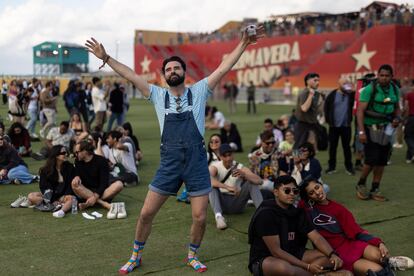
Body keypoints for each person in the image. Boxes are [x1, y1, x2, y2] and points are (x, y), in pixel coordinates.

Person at [85, 24, 265, 274]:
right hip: (169, 163)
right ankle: (135, 255)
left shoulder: (200, 90)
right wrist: (105, 58)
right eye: (168, 69)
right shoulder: (158, 95)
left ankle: (192, 255)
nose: (172, 71)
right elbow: (130, 75)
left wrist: (244, 43)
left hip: (196, 163)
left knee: (200, 217)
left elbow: (224, 67)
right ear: (163, 76)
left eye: (176, 67)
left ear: (184, 71)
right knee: (146, 213)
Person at [299, 178, 414, 275]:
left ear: (321, 185)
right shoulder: (306, 208)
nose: (317, 192)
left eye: (317, 187)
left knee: (380, 255)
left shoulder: (338, 208)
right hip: (334, 253)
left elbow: (356, 231)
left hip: (350, 244)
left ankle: (388, 262)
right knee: (377, 271)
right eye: (311, 193)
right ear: (308, 197)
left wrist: (379, 243)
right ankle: (383, 267)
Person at [247, 175, 344, 276]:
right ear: (276, 192)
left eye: (295, 191)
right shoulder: (266, 214)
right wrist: (307, 266)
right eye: (287, 191)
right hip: (266, 257)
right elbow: (276, 251)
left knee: (328, 258)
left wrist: (332, 254)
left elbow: (316, 237)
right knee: (285, 268)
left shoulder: (298, 212)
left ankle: (307, 273)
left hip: (293, 252)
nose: (292, 194)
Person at [356, 64, 401, 202]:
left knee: (382, 160)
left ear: (391, 76)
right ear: (378, 75)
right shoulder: (370, 89)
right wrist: (361, 131)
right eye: (381, 75)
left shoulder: (395, 89)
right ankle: (361, 184)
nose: (384, 78)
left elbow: (397, 108)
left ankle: (375, 188)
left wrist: (397, 118)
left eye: (387, 75)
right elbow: (360, 111)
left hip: (387, 129)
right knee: (371, 160)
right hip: (371, 128)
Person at [12, 145, 76, 218]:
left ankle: (60, 210)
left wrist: (63, 197)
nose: (66, 154)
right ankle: (55, 205)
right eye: (63, 153)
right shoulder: (45, 170)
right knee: (31, 196)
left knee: (72, 199)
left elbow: (70, 185)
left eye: (66, 152)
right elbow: (43, 186)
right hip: (51, 195)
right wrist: (52, 199)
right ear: (56, 155)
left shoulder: (69, 167)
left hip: (63, 195)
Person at [209, 144, 263, 230]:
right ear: (220, 156)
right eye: (225, 156)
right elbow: (207, 180)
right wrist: (227, 187)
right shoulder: (215, 166)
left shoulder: (240, 167)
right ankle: (219, 217)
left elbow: (259, 181)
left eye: (230, 155)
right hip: (221, 202)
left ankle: (262, 213)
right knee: (211, 187)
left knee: (252, 183)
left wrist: (244, 174)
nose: (228, 158)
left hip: (237, 201)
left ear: (233, 154)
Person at [71, 140, 125, 218]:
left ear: (85, 151)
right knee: (74, 184)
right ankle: (104, 204)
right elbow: (77, 173)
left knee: (119, 184)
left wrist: (95, 197)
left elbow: (104, 182)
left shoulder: (101, 161)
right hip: (86, 190)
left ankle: (90, 203)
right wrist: (76, 176)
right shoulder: (78, 161)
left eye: (77, 152)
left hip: (101, 191)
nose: (75, 154)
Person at [177, 133, 222, 203]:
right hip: (209, 184)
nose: (213, 143)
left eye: (216, 141)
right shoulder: (207, 155)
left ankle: (193, 196)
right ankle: (188, 192)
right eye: (211, 141)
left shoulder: (226, 157)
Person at [324, 76, 355, 175]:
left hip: (346, 126)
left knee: (347, 147)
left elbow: (357, 96)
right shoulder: (332, 95)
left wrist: (352, 89)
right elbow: (326, 108)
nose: (346, 85)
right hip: (333, 127)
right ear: (339, 84)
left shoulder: (351, 95)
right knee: (332, 148)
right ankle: (331, 167)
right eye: (344, 83)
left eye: (347, 83)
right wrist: (329, 121)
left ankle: (349, 167)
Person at [294, 72, 324, 149]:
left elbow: (318, 110)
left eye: (318, 80)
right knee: (298, 146)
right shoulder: (305, 93)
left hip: (312, 124)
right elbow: (304, 108)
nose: (317, 82)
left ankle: (309, 161)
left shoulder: (316, 94)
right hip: (302, 125)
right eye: (315, 80)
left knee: (310, 147)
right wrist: (310, 95)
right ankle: (294, 161)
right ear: (307, 81)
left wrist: (322, 99)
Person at [403, 81, 414, 163]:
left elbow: (406, 107)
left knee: (408, 136)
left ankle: (412, 153)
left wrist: (404, 118)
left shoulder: (409, 95)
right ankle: (409, 157)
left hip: (411, 118)